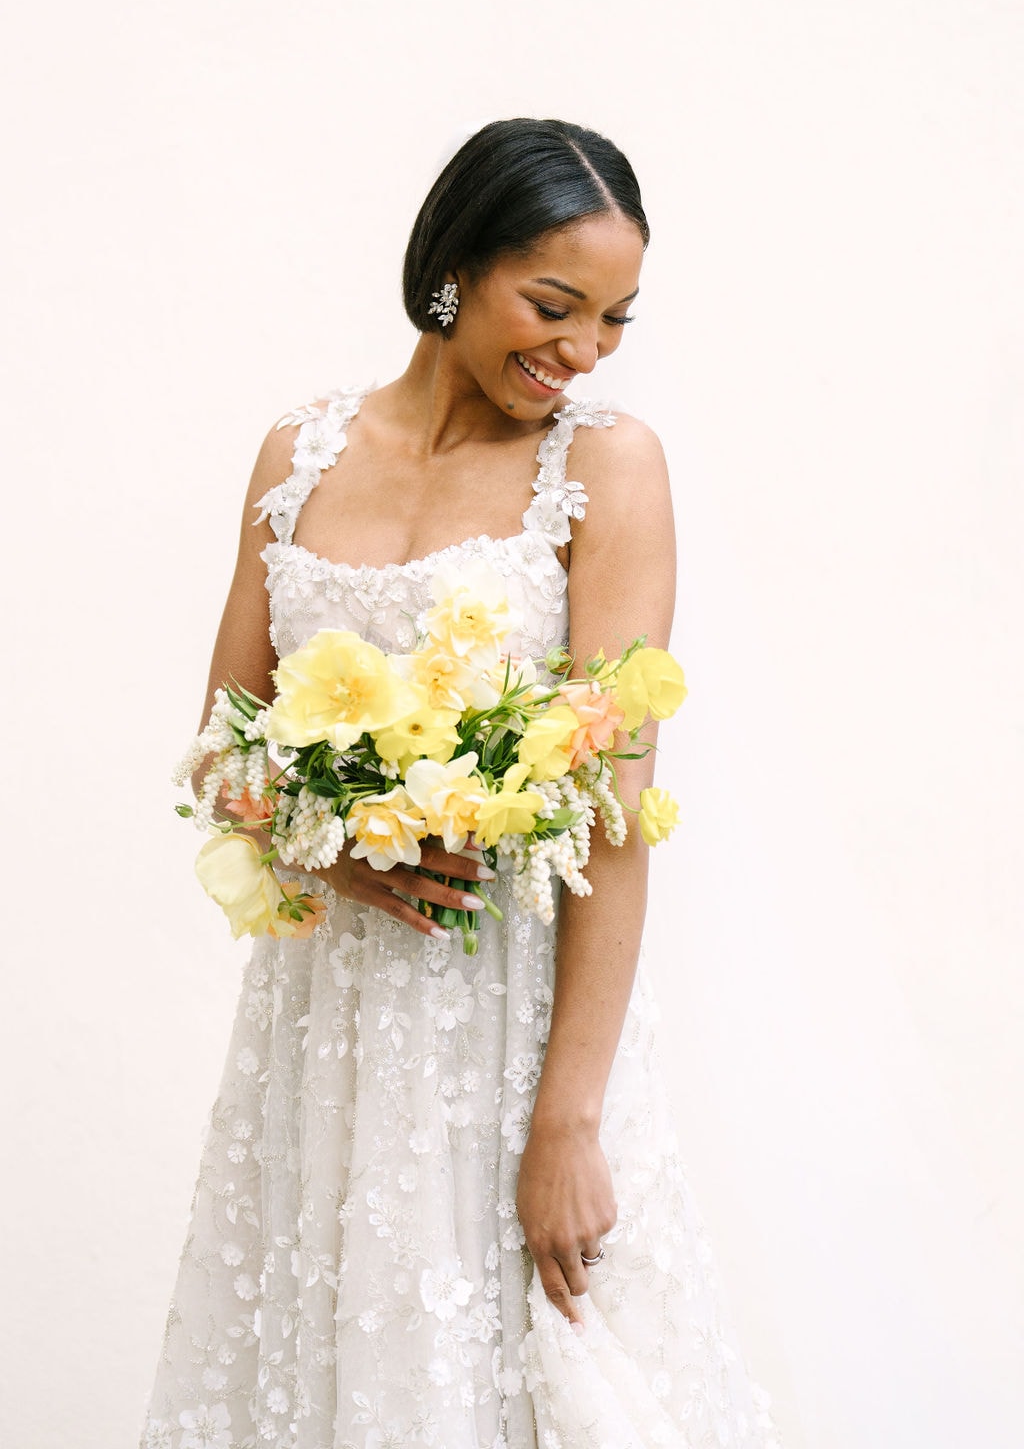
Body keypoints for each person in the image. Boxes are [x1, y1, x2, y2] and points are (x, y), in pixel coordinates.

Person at [143, 119, 782, 1449]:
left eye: (613, 318)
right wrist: (328, 850)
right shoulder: (298, 455)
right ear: (452, 270)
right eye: (554, 305)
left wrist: (568, 1123)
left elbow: (611, 815)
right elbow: (223, 741)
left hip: (509, 1023)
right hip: (325, 1024)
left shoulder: (607, 467)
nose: (585, 351)